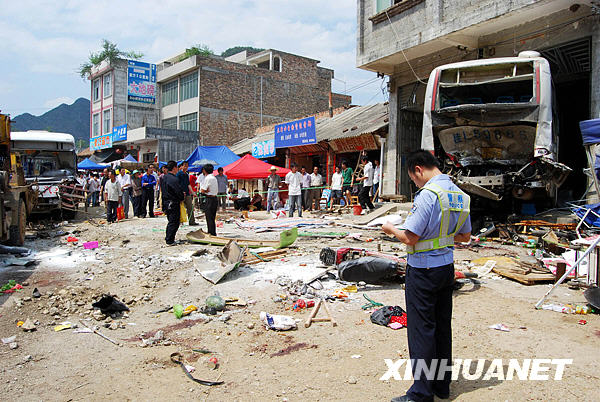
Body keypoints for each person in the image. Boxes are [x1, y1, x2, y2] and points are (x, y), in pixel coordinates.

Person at [381, 150, 471, 402]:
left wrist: (390, 229)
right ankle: (441, 386)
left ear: (419, 170)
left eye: (414, 179)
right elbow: (465, 236)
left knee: (422, 330)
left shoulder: (429, 195)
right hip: (446, 268)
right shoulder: (460, 195)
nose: (416, 183)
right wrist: (440, 238)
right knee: (442, 327)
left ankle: (421, 393)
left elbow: (410, 237)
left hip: (422, 270)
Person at [160, 161, 185, 245]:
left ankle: (169, 237)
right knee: (174, 221)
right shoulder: (173, 179)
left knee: (171, 220)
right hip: (173, 202)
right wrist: (182, 196)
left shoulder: (164, 177)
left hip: (166, 202)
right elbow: (177, 191)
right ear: (174, 168)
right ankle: (170, 239)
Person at [200, 164, 218, 236]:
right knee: (212, 217)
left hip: (209, 198)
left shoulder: (207, 178)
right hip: (214, 198)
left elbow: (202, 190)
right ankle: (212, 232)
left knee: (209, 217)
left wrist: (205, 191)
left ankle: (211, 232)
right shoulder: (214, 178)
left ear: (204, 170)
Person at [177, 161, 197, 226]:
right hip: (181, 194)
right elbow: (177, 184)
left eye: (187, 166)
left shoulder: (186, 174)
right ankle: (180, 221)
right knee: (180, 208)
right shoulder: (179, 174)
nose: (186, 167)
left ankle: (192, 221)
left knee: (190, 208)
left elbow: (188, 185)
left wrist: (193, 192)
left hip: (187, 193)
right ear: (182, 166)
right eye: (185, 165)